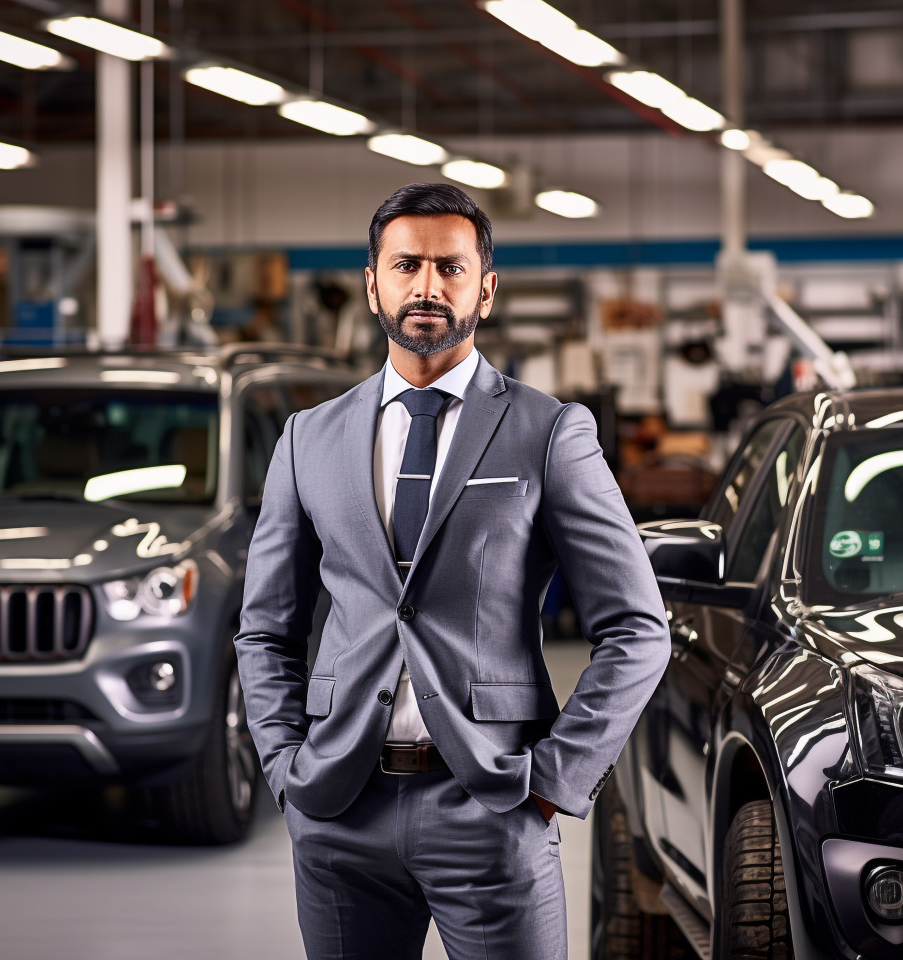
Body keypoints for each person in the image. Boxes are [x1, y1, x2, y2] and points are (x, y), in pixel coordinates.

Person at [235, 182, 671, 960]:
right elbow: (267, 627)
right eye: (406, 266)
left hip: (493, 807)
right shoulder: (308, 438)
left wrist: (552, 781)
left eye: (451, 268)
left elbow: (638, 628)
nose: (428, 287)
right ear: (373, 282)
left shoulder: (549, 432)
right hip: (339, 808)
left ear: (487, 288)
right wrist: (284, 768)